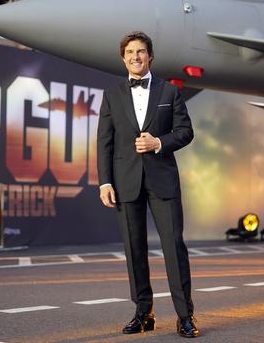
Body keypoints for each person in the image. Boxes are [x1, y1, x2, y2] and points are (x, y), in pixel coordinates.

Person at [97, 31, 198, 338]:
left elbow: (186, 132)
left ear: (150, 56)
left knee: (174, 248)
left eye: (141, 51)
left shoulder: (169, 91)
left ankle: (185, 316)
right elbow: (105, 142)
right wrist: (104, 183)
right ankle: (144, 313)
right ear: (123, 58)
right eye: (130, 52)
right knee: (134, 250)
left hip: (163, 180)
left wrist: (158, 142)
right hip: (126, 182)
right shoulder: (112, 94)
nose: (136, 57)